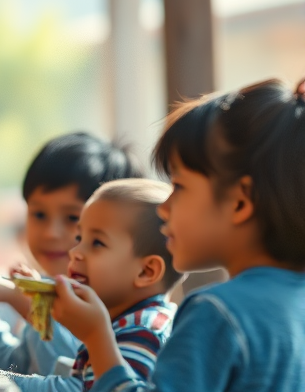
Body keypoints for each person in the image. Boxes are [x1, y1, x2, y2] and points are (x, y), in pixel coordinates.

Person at [52, 78, 305, 392]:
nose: (164, 208)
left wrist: (96, 337)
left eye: (180, 187)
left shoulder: (216, 313)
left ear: (239, 202)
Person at [0, 133, 142, 387]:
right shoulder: (51, 289)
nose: (50, 233)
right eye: (39, 214)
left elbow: (67, 377)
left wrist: (20, 298)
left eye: (72, 218)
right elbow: (17, 365)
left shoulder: (114, 306)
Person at [10, 179, 180, 391]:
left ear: (147, 271)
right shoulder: (120, 321)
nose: (75, 252)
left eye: (97, 243)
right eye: (79, 237)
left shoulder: (143, 330)